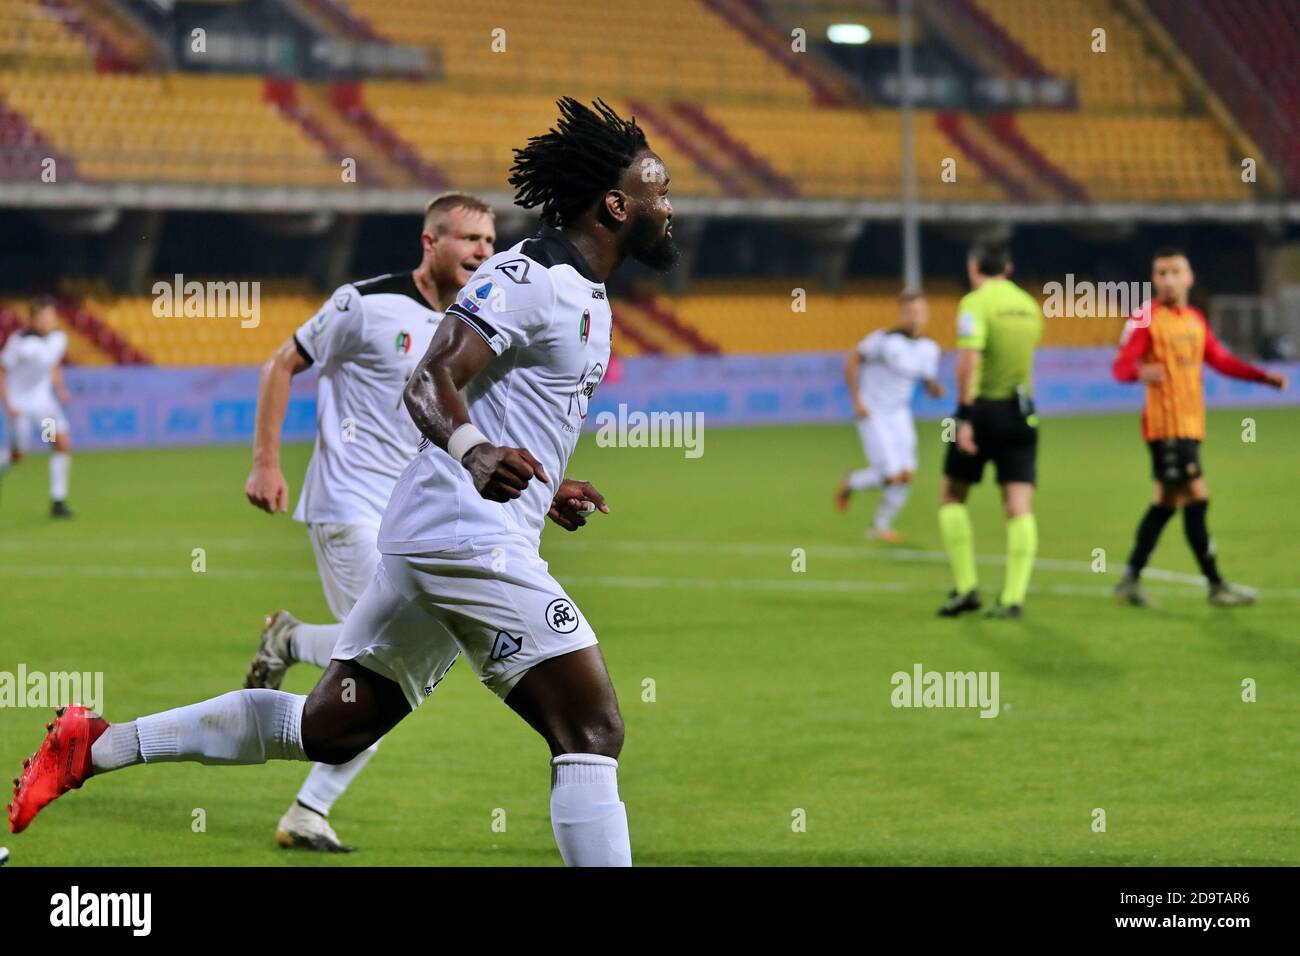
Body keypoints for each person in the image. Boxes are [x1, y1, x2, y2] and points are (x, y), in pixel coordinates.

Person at [9, 98, 677, 869]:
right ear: (618, 204)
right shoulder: (530, 276)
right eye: (661, 194)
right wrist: (474, 454)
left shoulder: (586, 291)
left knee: (332, 727)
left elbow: (508, 403)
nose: (671, 210)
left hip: (452, 532)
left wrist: (542, 481)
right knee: (591, 730)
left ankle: (94, 746)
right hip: (465, 538)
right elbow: (430, 380)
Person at [240, 192, 496, 851]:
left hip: (413, 517)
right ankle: (291, 657)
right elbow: (282, 363)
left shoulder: (477, 328)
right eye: (467, 238)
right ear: (430, 242)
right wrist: (265, 461)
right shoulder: (366, 303)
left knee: (391, 671)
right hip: (348, 504)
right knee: (387, 667)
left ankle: (291, 655)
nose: (481, 252)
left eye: (490, 243)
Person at [1111, 247, 1286, 607]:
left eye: (1175, 272)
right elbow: (1121, 366)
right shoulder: (1145, 319)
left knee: (1165, 503)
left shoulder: (1194, 319)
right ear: (1153, 278)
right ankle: (1216, 585)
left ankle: (1130, 578)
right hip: (1166, 427)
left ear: (1189, 277)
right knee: (1197, 497)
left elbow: (1220, 360)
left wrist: (1262, 376)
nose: (1167, 280)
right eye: (1160, 273)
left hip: (1191, 425)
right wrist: (1137, 372)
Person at [937, 244, 1042, 619]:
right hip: (1023, 414)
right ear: (1009, 267)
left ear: (974, 267)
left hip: (978, 411)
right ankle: (1013, 598)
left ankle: (967, 588)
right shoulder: (1030, 306)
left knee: (951, 495)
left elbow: (968, 362)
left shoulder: (975, 303)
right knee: (1018, 505)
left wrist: (963, 416)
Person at [836, 290, 944, 542]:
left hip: (900, 414)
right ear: (901, 314)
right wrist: (856, 400)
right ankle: (851, 482)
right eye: (909, 312)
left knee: (906, 474)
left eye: (919, 311)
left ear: (926, 314)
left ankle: (879, 526)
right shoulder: (883, 340)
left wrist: (935, 390)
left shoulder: (930, 348)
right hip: (873, 412)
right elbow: (851, 359)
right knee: (890, 474)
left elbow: (927, 382)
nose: (914, 317)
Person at [0, 296, 74, 517]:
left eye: (50, 316)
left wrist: (60, 389)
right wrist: (8, 404)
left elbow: (53, 364)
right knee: (19, 455)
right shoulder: (19, 342)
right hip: (19, 405)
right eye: (42, 317)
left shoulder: (59, 338)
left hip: (43, 406)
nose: (47, 321)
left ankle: (58, 501)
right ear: (32, 319)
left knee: (59, 442)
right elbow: (2, 372)